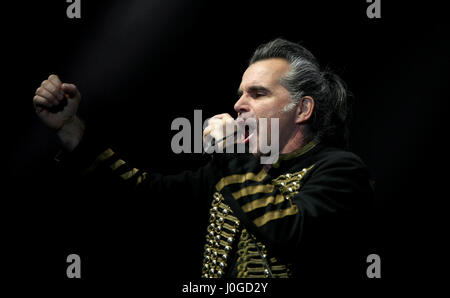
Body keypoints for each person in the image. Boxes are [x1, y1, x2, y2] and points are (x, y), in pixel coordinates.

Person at [33, 38, 374, 278]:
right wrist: (70, 130)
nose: (239, 104)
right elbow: (141, 198)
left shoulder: (340, 170)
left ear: (302, 109)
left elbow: (293, 233)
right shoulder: (223, 172)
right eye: (240, 94)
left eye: (257, 93)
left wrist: (231, 152)